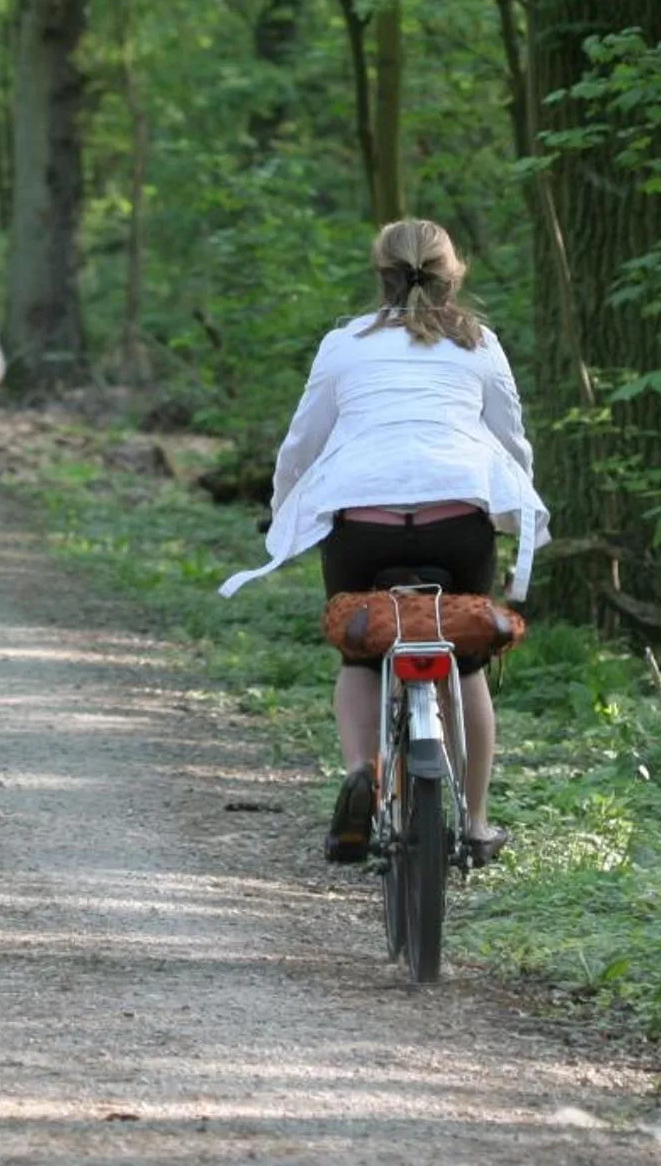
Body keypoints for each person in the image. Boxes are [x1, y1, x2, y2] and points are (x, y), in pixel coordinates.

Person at [222, 218, 547, 868]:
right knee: (469, 662)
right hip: (459, 520)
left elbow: (302, 442)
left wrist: (282, 508)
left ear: (381, 275)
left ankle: (358, 773)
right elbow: (511, 440)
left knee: (361, 655)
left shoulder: (344, 343)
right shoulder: (480, 343)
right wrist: (519, 516)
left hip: (360, 524)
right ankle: (477, 825)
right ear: (454, 274)